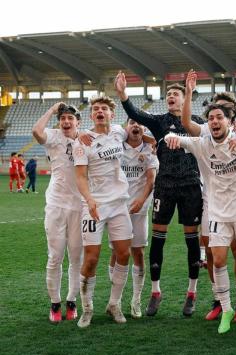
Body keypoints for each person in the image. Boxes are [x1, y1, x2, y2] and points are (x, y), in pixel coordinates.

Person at [165, 102, 236, 334]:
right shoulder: (202, 144)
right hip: (218, 212)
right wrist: (170, 138)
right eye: (211, 118)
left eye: (219, 117)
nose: (214, 121)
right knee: (219, 260)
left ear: (229, 122)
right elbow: (175, 137)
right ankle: (227, 309)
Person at [115, 72, 204, 317]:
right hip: (164, 185)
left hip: (190, 186)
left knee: (191, 240)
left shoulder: (197, 122)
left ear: (186, 98)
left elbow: (220, 132)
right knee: (158, 238)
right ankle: (155, 292)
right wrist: (123, 94)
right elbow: (135, 114)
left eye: (176, 94)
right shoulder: (159, 121)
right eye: (168, 95)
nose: (171, 97)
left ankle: (191, 293)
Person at [73, 95, 132, 327]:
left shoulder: (119, 132)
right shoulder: (83, 141)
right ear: (91, 116)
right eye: (95, 109)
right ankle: (87, 308)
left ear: (111, 114)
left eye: (104, 109)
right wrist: (89, 200)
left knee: (124, 254)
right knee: (91, 259)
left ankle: (114, 304)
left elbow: (136, 133)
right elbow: (79, 176)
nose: (100, 111)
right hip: (94, 205)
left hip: (119, 204)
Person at [32, 102, 83, 323]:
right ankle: (54, 303)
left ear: (78, 122)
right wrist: (52, 110)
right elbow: (36, 131)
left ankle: (71, 302)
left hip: (79, 206)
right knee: (55, 257)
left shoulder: (86, 139)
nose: (66, 122)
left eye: (70, 118)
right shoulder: (52, 136)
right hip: (56, 204)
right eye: (62, 118)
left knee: (76, 258)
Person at [107, 119, 158, 318]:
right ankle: (115, 300)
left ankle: (136, 300)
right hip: (118, 208)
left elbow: (151, 179)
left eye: (139, 124)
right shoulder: (116, 147)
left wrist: (141, 200)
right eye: (132, 123)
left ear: (144, 129)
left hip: (139, 208)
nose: (136, 126)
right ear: (125, 127)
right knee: (116, 252)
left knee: (138, 252)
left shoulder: (149, 150)